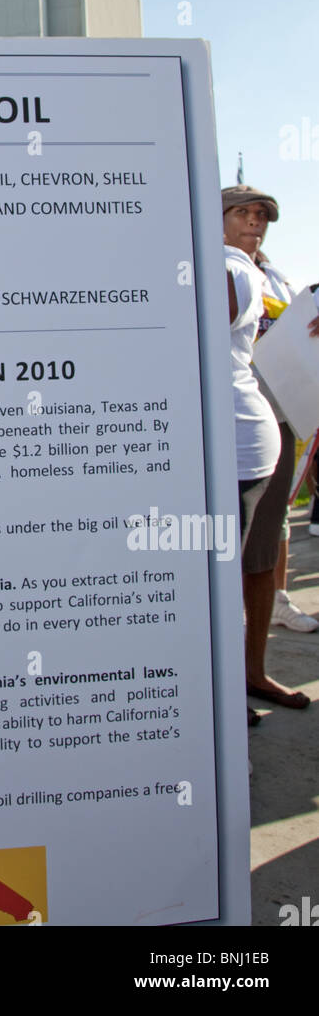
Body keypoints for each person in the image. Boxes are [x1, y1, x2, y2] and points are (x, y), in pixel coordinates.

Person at [223, 186, 319, 713]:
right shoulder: (212, 270)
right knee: (224, 563)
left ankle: (254, 672)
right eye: (243, 212)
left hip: (277, 421)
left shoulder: (277, 278)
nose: (255, 222)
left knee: (261, 557)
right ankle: (218, 688)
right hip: (228, 433)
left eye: (262, 216)